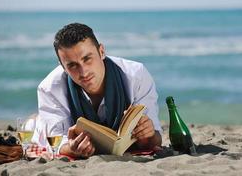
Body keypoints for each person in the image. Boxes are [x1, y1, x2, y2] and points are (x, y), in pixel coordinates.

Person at [33, 23, 162, 158]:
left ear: (101, 51)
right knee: (35, 126)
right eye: (72, 65)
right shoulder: (49, 88)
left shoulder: (136, 75)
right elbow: (56, 143)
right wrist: (72, 148)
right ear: (63, 67)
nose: (83, 72)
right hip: (41, 129)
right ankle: (34, 120)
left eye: (87, 59)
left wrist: (148, 133)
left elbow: (156, 139)